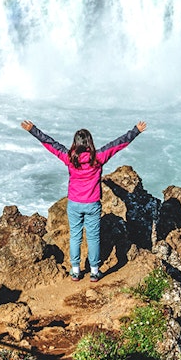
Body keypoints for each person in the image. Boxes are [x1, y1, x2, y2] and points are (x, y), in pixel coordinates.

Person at [21, 119, 146, 282]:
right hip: (92, 204)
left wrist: (33, 130)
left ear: (75, 143)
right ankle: (94, 271)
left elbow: (50, 143)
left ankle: (75, 271)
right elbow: (118, 143)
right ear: (90, 142)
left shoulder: (69, 158)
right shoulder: (98, 157)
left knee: (75, 236)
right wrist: (135, 130)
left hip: (74, 203)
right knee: (93, 237)